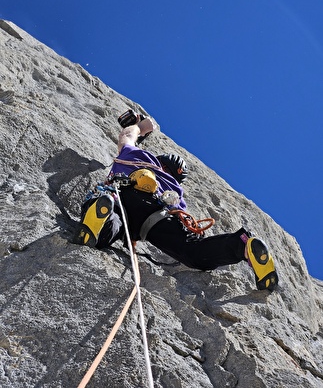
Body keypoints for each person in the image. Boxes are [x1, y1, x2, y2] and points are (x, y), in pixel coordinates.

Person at [74, 116, 278, 291]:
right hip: (157, 215)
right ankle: (243, 246)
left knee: (109, 229)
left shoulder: (138, 155)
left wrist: (143, 127)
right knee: (194, 253)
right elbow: (184, 222)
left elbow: (126, 136)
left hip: (122, 194)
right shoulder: (176, 191)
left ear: (160, 161)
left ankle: (103, 211)